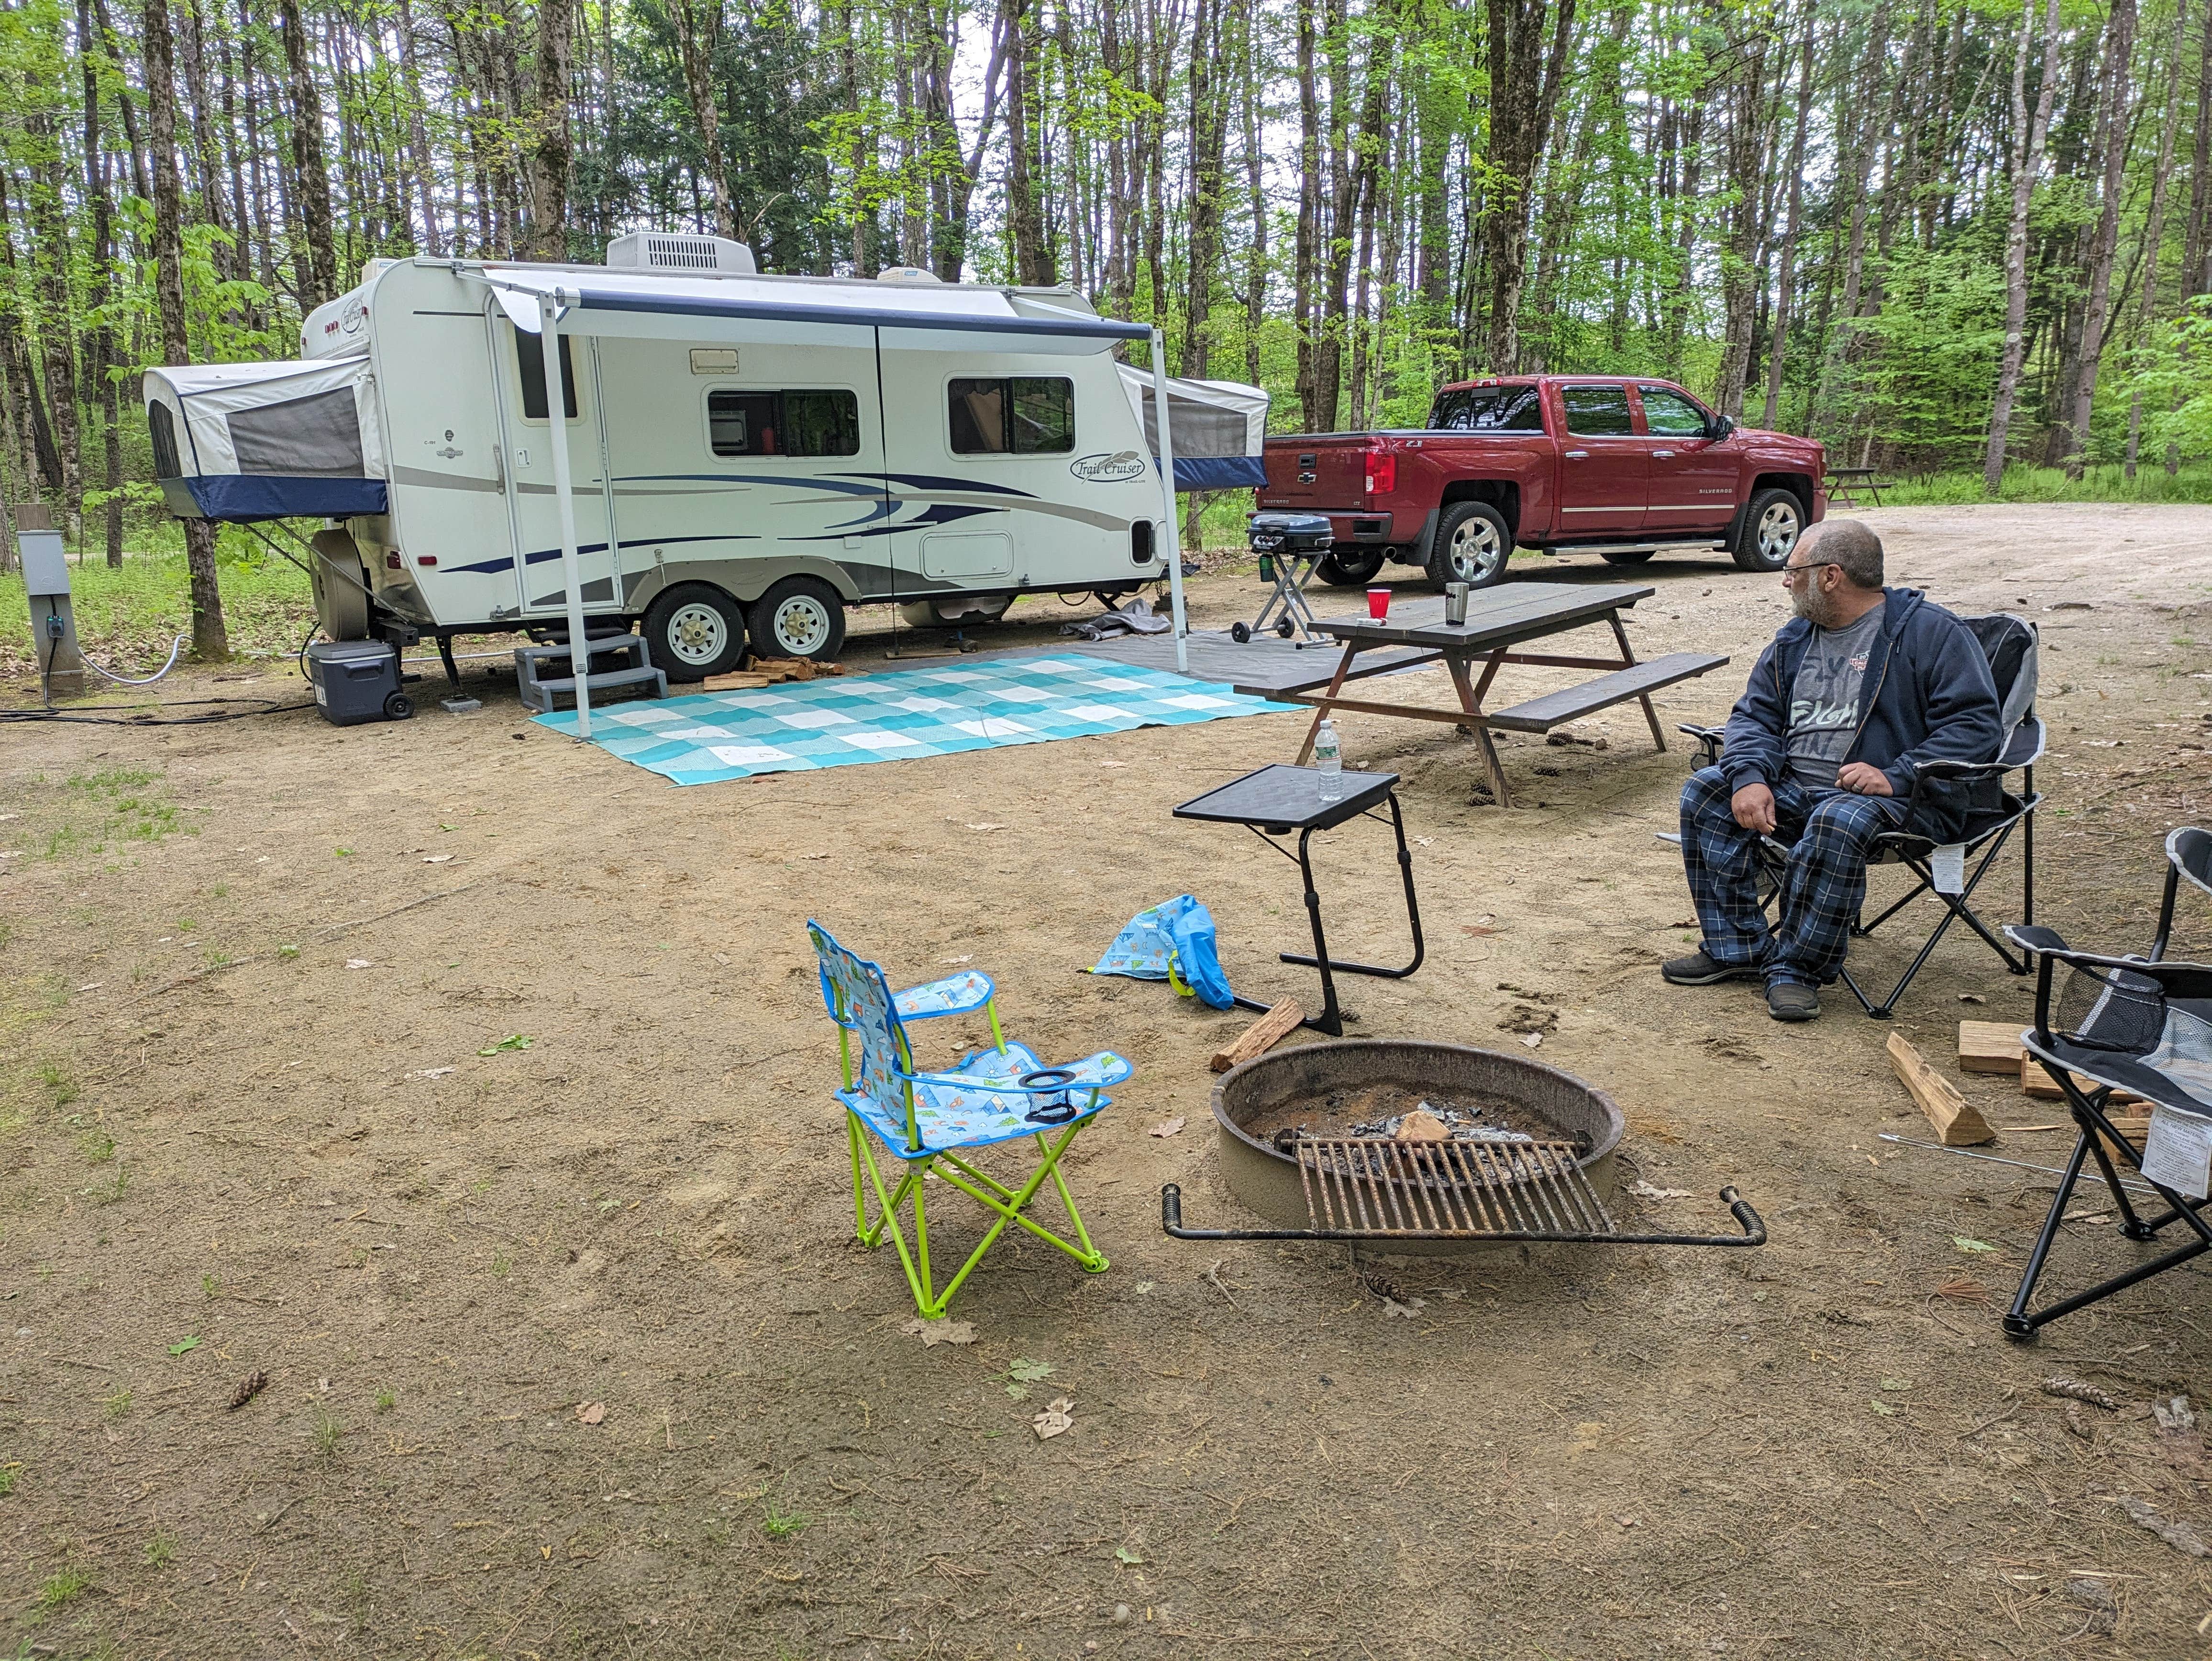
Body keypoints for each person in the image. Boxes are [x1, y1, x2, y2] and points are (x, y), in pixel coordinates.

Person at [1666, 520, 2001, 1022]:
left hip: (1901, 801)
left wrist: (1899, 772)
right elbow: (1753, 715)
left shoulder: (1930, 634)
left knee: (1838, 819)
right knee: (1705, 791)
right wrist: (1750, 776)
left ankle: (1797, 969)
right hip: (1795, 788)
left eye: (1792, 570)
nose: (1785, 581)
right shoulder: (1795, 639)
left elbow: (1977, 726)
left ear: (1830, 576)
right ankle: (1738, 950)